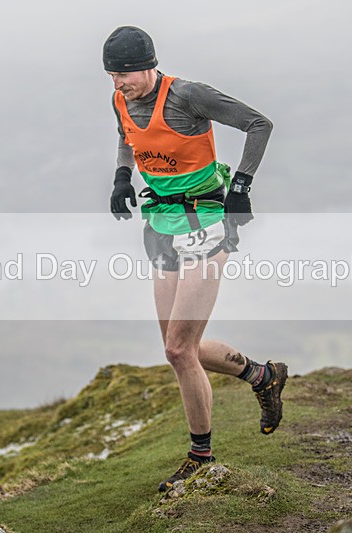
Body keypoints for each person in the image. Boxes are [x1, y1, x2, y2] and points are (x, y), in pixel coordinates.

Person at [103, 25, 288, 493]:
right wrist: (122, 178)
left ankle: (201, 457)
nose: (118, 83)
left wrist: (241, 188)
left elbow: (258, 124)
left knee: (178, 349)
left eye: (124, 73)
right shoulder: (120, 99)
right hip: (160, 224)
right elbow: (127, 135)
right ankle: (261, 375)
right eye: (111, 75)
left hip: (205, 221)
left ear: (149, 64)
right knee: (178, 346)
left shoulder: (187, 96)